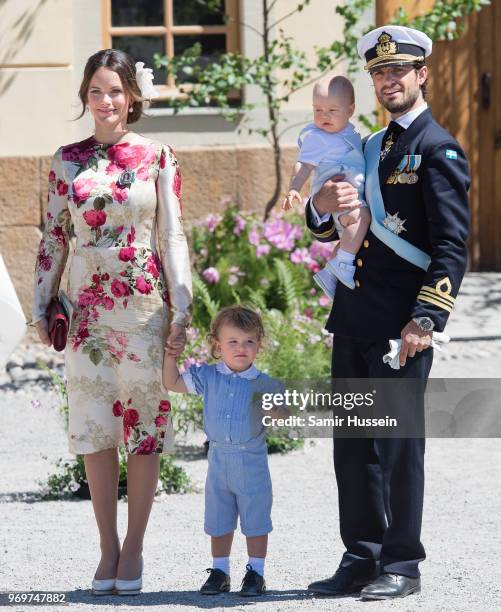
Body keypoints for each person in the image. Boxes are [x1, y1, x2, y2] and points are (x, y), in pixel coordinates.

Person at [305, 26, 470, 600]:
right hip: (353, 316)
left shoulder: (437, 147)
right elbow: (336, 217)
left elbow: (451, 245)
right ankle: (361, 554)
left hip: (401, 323)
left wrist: (426, 319)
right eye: (379, 73)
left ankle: (402, 561)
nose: (388, 81)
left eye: (398, 70)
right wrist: (320, 209)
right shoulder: (371, 146)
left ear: (421, 74)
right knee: (353, 446)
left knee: (397, 445)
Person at [32, 49, 192, 595]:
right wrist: (41, 304)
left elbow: (172, 234)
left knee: (144, 427)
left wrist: (184, 304)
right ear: (85, 97)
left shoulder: (158, 156)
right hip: (85, 310)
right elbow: (54, 234)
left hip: (146, 307)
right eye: (96, 91)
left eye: (116, 91)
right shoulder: (65, 160)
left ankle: (136, 549)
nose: (106, 101)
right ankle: (107, 547)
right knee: (95, 426)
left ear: (133, 97)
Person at [163, 305, 286, 597]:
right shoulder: (208, 376)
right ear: (217, 346)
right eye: (233, 342)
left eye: (249, 342)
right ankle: (219, 571)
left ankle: (256, 573)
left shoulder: (265, 383)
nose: (241, 348)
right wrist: (170, 356)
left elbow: (283, 415)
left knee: (255, 518)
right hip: (218, 461)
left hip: (251, 461)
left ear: (259, 345)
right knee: (218, 518)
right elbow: (172, 383)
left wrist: (275, 409)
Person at [282, 76, 370, 299]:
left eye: (332, 110)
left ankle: (334, 270)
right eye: (318, 110)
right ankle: (342, 263)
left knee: (356, 227)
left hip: (353, 192)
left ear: (350, 110)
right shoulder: (317, 137)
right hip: (337, 196)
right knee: (361, 217)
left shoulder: (352, 131)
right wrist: (294, 188)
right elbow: (303, 165)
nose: (324, 116)